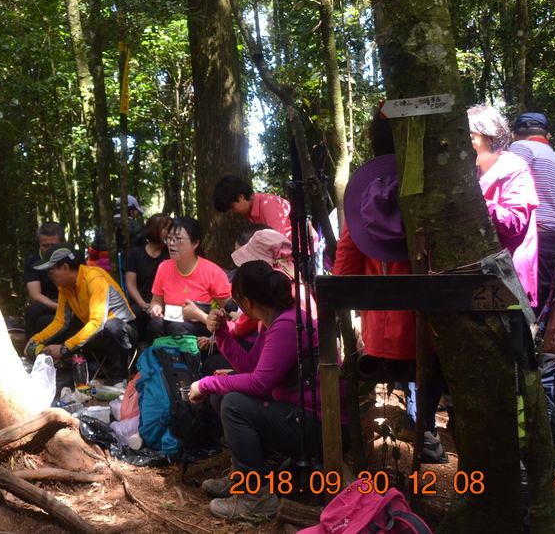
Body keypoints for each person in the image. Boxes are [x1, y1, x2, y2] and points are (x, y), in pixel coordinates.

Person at [334, 110, 447, 463]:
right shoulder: (439, 188)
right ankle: (425, 429)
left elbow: (346, 268)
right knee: (429, 370)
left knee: (382, 377)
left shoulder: (367, 196)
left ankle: (379, 437)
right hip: (429, 334)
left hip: (381, 336)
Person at [189, 260, 340, 522]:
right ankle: (245, 479)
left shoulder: (287, 324)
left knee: (234, 402)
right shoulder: (273, 321)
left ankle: (255, 497)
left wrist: (206, 384)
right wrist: (223, 333)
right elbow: (251, 366)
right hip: (301, 416)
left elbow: (260, 383)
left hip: (321, 426)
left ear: (247, 302)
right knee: (225, 395)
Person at [24, 243, 137, 380]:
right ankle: (69, 371)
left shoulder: (94, 279)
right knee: (46, 321)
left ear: (65, 267)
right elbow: (61, 322)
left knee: (112, 326)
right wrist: (36, 339)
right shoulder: (64, 286)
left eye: (51, 271)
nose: (49, 275)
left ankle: (119, 379)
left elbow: (97, 323)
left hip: (122, 332)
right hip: (96, 332)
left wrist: (63, 348)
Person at [467, 104, 540, 309]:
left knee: (511, 339)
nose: (465, 143)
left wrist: (475, 202)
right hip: (480, 276)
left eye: (471, 136)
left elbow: (513, 222)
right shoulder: (472, 173)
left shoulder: (514, 167)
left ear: (489, 136)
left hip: (509, 276)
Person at [508, 111, 555, 311]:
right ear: (547, 135)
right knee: (551, 311)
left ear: (514, 134)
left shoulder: (519, 148)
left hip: (534, 241)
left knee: (522, 312)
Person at [147, 217, 231, 341]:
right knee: (154, 325)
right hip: (171, 323)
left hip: (201, 327)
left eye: (178, 239)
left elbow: (230, 310)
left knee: (177, 328)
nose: (171, 243)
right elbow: (156, 301)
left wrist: (199, 314)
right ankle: (162, 358)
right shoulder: (164, 267)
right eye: (169, 238)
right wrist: (155, 308)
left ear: (195, 243)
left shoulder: (212, 271)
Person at [124, 214, 171, 331]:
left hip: (164, 303)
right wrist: (142, 304)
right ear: (155, 229)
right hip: (141, 302)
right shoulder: (135, 254)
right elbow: (131, 284)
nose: (170, 232)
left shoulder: (171, 254)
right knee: (132, 315)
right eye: (167, 229)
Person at [213, 175, 293, 240]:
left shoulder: (268, 205)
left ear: (241, 197)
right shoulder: (251, 213)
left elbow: (278, 242)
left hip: (296, 256)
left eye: (233, 207)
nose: (234, 211)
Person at [23, 222, 64, 341]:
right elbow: (35, 294)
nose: (49, 250)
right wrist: (58, 307)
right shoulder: (33, 260)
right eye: (45, 246)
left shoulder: (72, 256)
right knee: (34, 310)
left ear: (62, 242)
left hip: (71, 302)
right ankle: (30, 349)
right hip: (48, 302)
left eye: (53, 245)